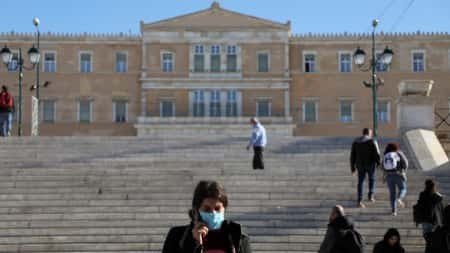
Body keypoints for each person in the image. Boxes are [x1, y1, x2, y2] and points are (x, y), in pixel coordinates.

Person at [162, 180, 251, 253]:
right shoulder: (177, 236)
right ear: (197, 209)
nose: (213, 213)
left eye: (217, 208)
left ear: (224, 208)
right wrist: (194, 243)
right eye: (207, 209)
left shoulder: (239, 238)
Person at [350, 128, 381, 208]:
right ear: (369, 133)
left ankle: (359, 201)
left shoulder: (356, 142)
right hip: (370, 164)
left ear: (363, 133)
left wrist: (352, 168)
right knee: (372, 179)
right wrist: (378, 163)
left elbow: (352, 155)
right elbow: (377, 153)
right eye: (371, 133)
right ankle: (370, 196)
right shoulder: (372, 141)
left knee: (360, 182)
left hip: (360, 165)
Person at [415, 179, 445, 253]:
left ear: (426, 185)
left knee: (427, 237)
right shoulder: (435, 195)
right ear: (434, 186)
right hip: (434, 220)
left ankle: (429, 249)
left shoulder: (422, 194)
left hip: (425, 220)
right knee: (432, 238)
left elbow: (419, 205)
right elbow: (441, 200)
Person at [382, 143, 408, 216]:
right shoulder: (399, 153)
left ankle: (394, 211)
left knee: (392, 194)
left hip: (389, 176)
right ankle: (399, 198)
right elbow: (406, 163)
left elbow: (382, 166)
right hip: (399, 174)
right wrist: (403, 170)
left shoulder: (386, 154)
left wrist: (384, 175)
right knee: (403, 188)